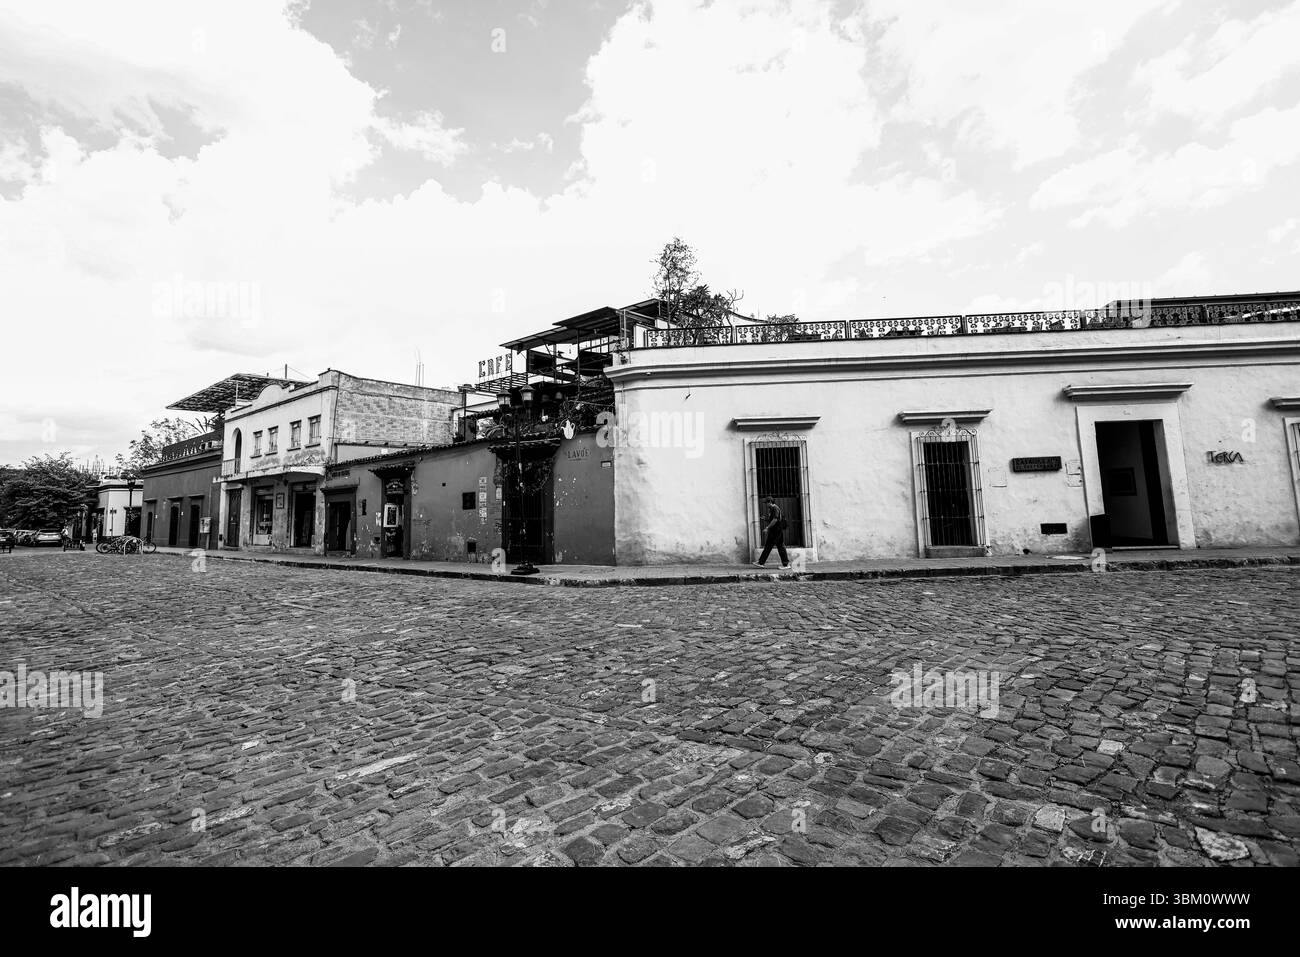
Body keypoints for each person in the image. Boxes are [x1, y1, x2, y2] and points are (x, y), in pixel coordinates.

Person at [754, 496, 790, 569]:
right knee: (768, 546)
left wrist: (767, 528)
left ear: (770, 502)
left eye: (766, 503)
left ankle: (786, 564)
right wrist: (766, 519)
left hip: (777, 531)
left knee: (780, 547)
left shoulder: (775, 508)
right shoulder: (771, 509)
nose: (766, 505)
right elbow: (772, 520)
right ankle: (761, 562)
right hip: (773, 531)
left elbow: (775, 520)